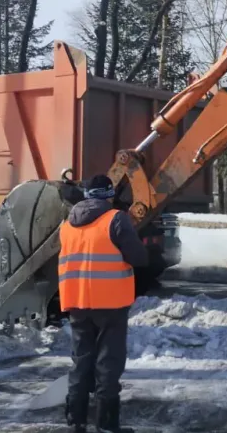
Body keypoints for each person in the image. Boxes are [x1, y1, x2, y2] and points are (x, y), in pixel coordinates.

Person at [59, 174, 148, 433]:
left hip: (77, 303)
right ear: (109, 195)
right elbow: (139, 258)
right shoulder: (115, 219)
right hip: (110, 304)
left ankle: (76, 421)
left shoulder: (67, 224)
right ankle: (106, 425)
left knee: (81, 360)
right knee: (108, 363)